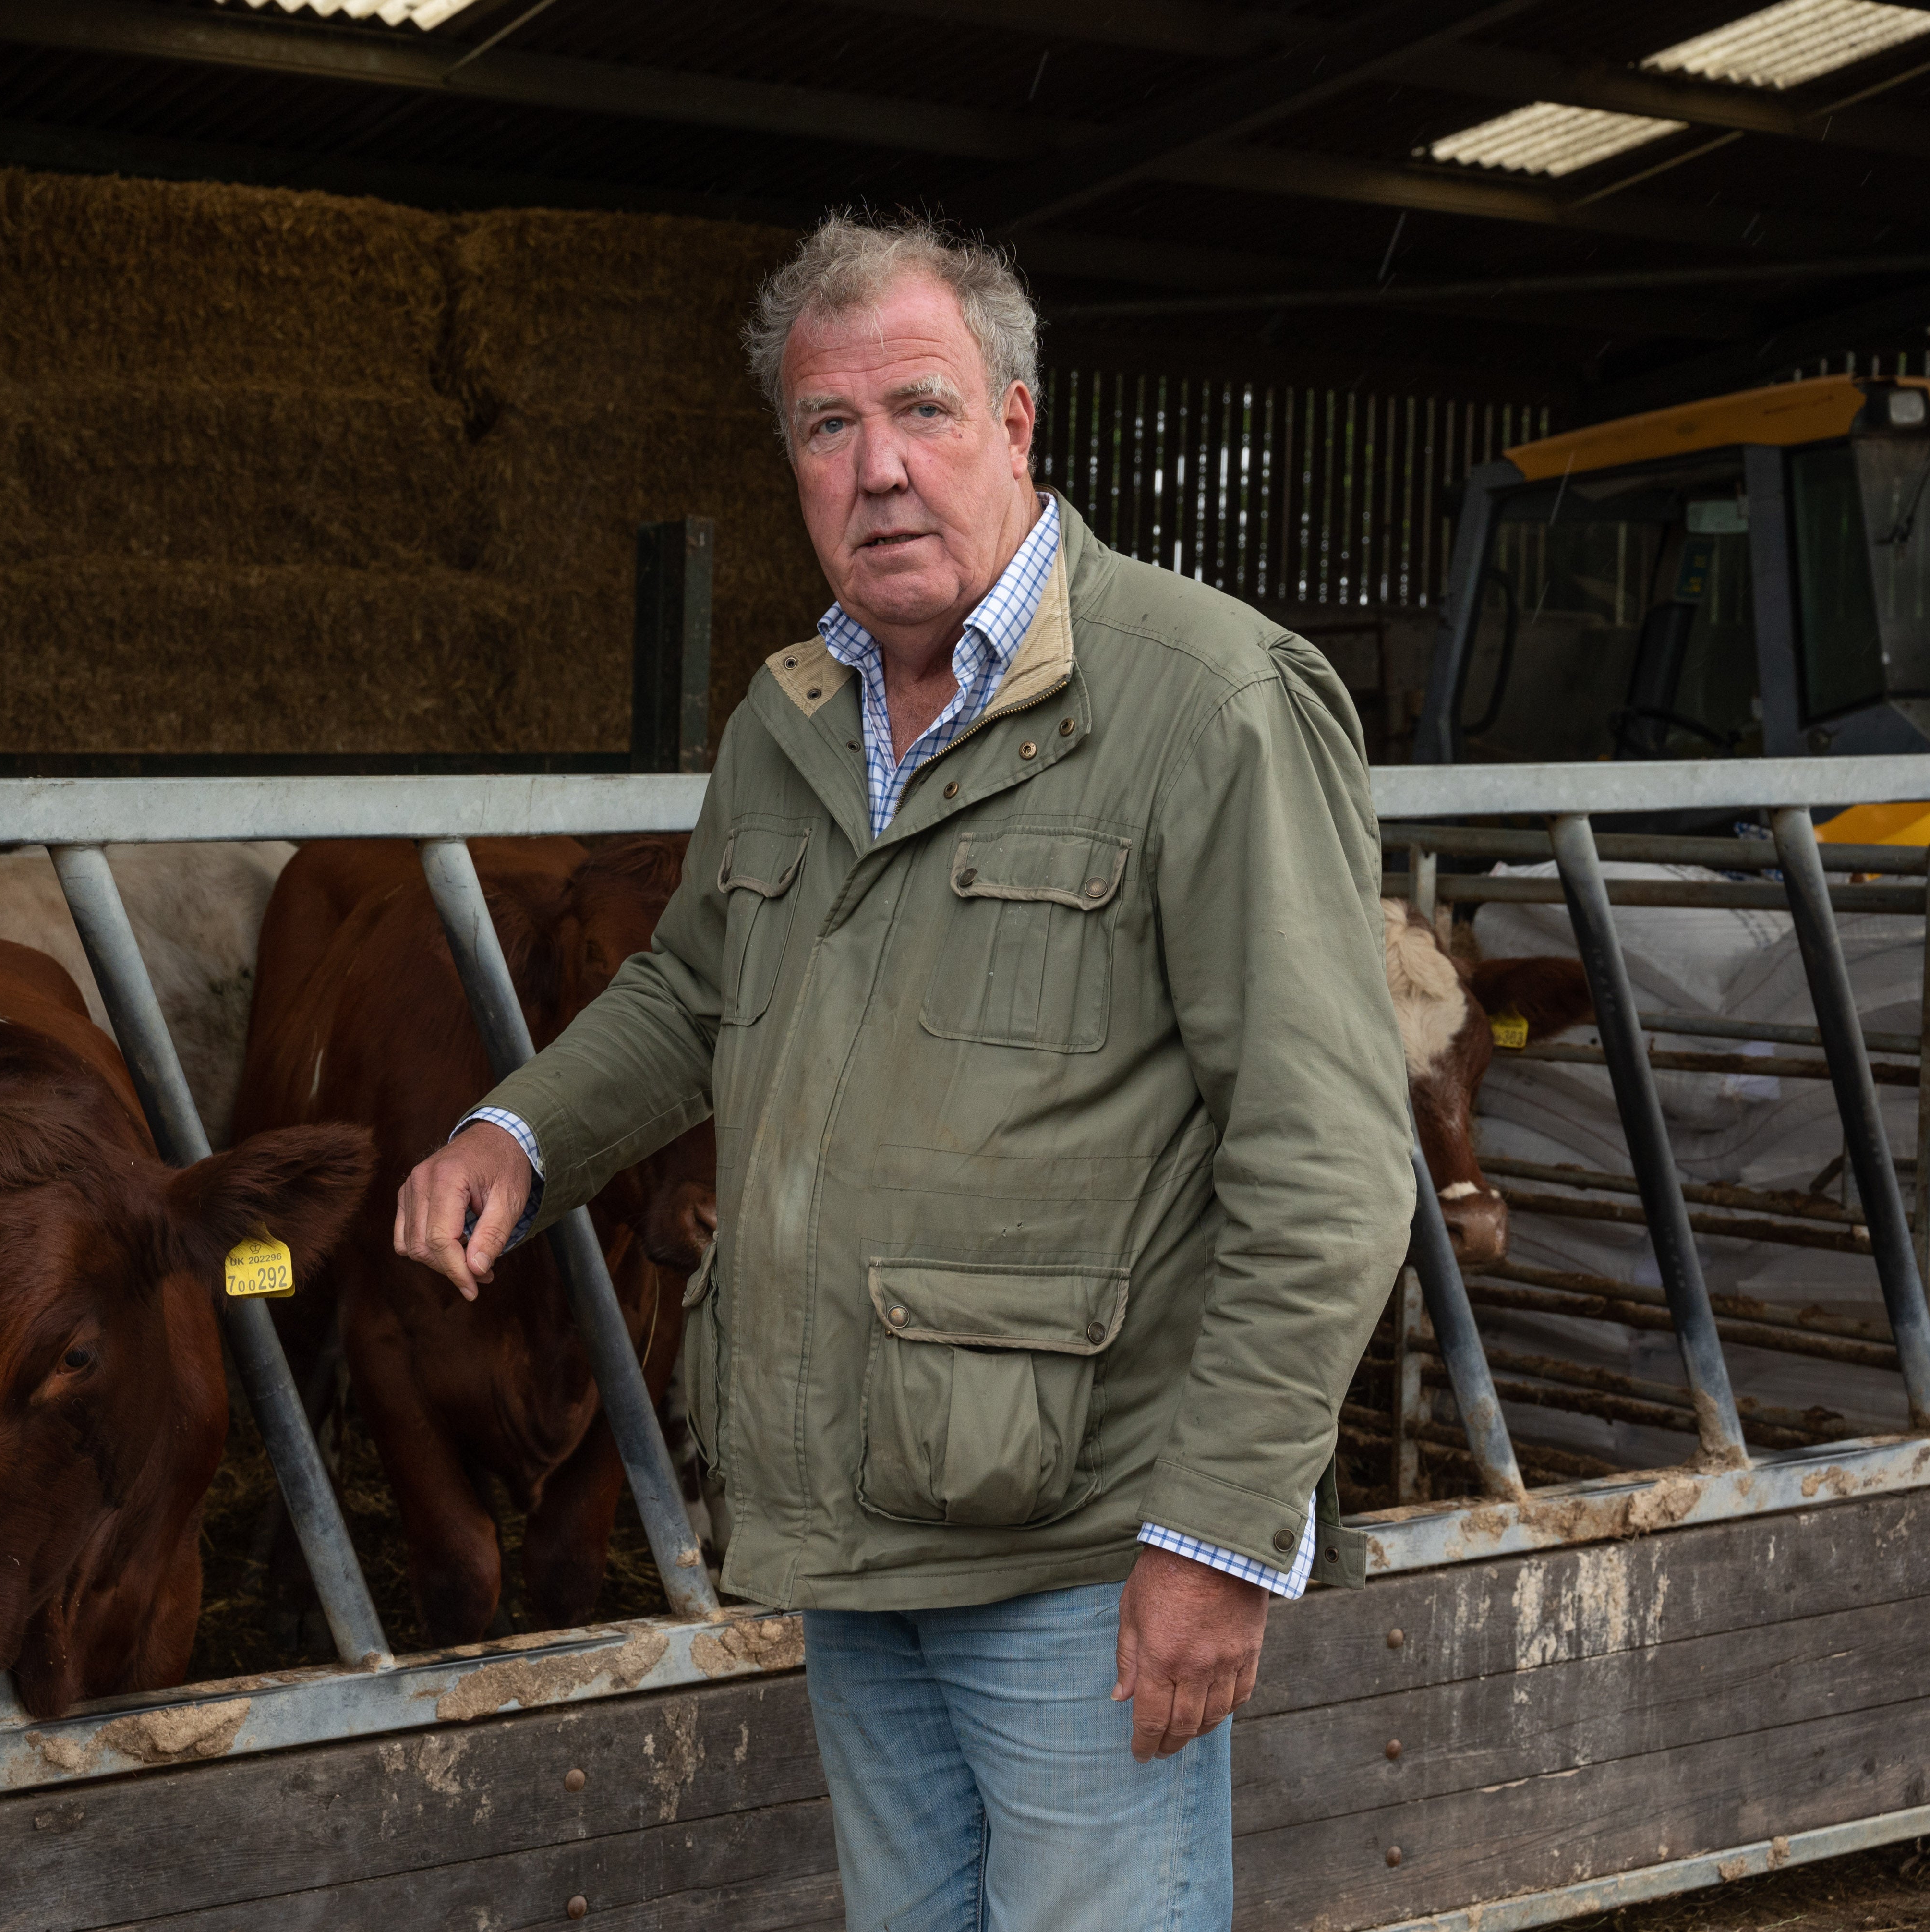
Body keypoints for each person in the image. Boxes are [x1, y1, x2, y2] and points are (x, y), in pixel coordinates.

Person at [394, 213, 1412, 1932]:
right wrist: (521, 1129)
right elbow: (696, 989)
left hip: (1081, 1547)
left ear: (1018, 423)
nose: (878, 470)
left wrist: (1220, 1534)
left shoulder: (1205, 701)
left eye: (924, 413)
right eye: (826, 428)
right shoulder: (792, 718)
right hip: (853, 1519)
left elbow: (1327, 1162)